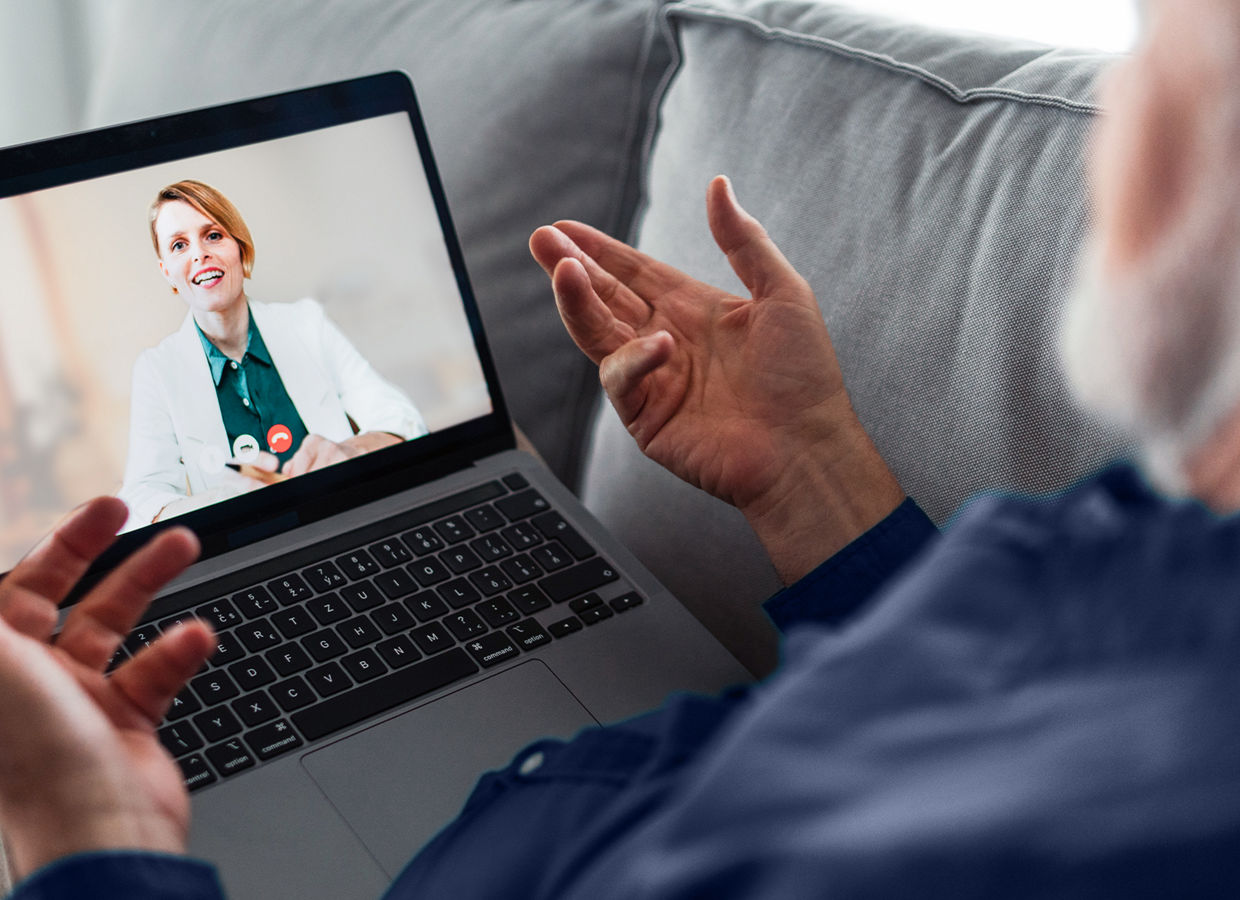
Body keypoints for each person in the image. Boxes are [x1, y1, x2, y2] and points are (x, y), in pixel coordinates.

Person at [4, 0, 1240, 895]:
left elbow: (378, 415)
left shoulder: (1115, 804)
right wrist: (809, 466)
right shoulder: (1109, 553)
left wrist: (89, 836)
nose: (1118, 107)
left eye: (1157, 36)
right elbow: (951, 700)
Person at [118, 180, 427, 530]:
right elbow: (140, 500)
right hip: (247, 549)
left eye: (214, 235)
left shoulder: (308, 323)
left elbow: (401, 420)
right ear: (167, 272)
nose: (199, 254)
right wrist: (222, 503)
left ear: (240, 246)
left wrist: (350, 454)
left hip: (348, 521)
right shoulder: (157, 370)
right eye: (178, 245)